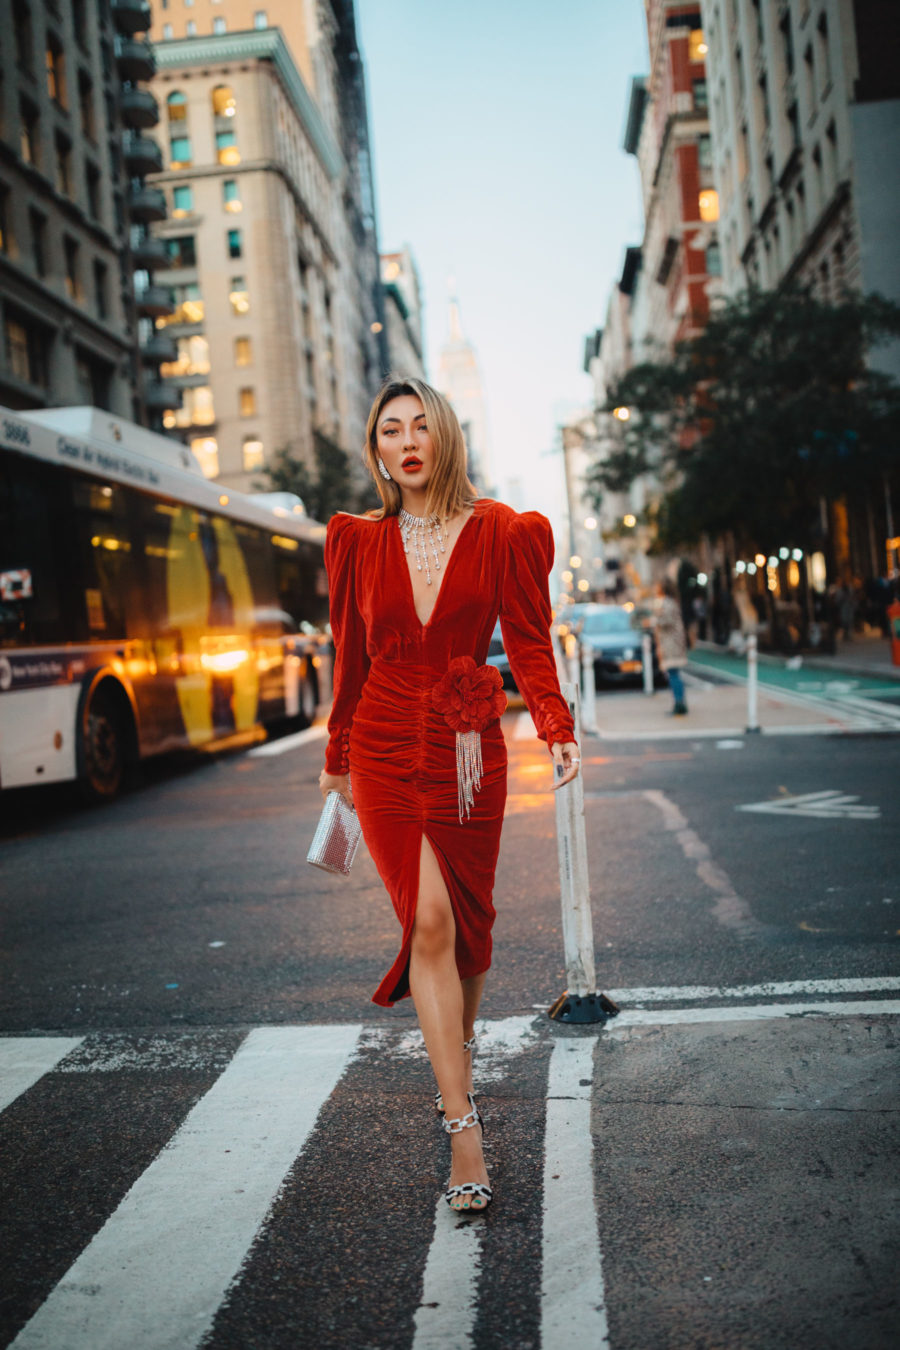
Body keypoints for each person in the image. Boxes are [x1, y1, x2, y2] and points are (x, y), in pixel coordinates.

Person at [318, 377, 579, 1214]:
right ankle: (462, 1121)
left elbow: (530, 642)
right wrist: (337, 755)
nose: (406, 441)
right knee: (426, 921)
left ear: (445, 437)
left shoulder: (503, 530)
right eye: (390, 429)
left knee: (467, 926)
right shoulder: (358, 541)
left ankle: (455, 1047)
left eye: (420, 425)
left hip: (470, 750)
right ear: (378, 449)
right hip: (388, 744)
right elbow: (349, 657)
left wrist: (554, 721)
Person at [654, 578, 689, 715]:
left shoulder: (667, 603)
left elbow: (666, 621)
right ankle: (679, 702)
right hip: (672, 643)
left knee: (673, 674)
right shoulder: (670, 602)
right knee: (674, 674)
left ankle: (679, 703)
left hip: (671, 644)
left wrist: (653, 621)